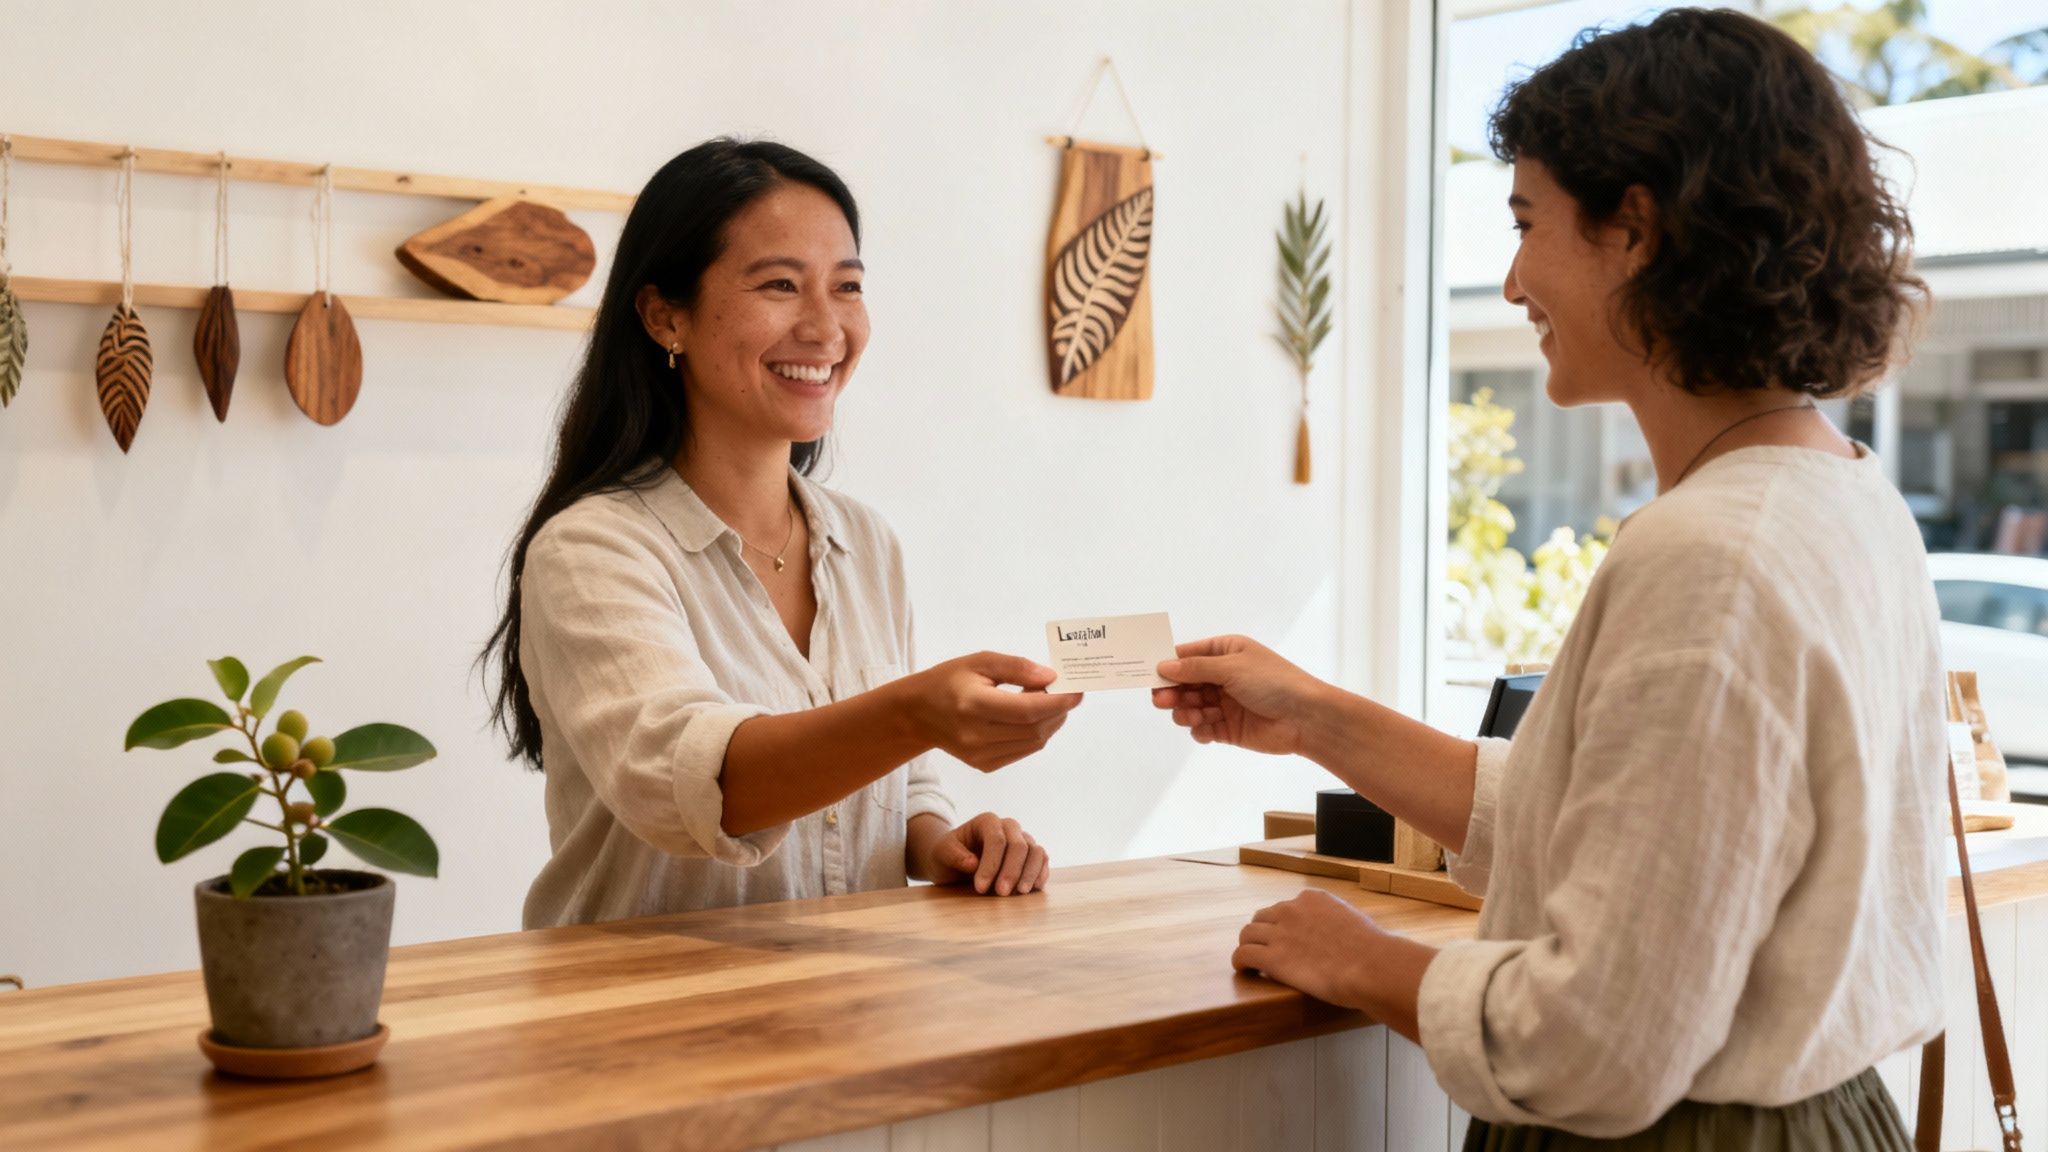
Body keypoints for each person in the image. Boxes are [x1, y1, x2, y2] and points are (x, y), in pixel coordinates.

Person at [1155, 11, 1942, 1148]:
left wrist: (1368, 963)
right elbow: (1604, 825)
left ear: (1636, 229)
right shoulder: (1841, 494)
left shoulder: (1707, 556)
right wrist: (1316, 717)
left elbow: (1598, 1043)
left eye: (1527, 223)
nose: (1514, 278)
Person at [485, 139, 1079, 929]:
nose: (827, 327)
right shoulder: (591, 551)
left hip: (847, 1014)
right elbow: (694, 786)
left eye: (848, 287)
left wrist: (941, 842)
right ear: (666, 316)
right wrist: (914, 713)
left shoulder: (867, 542)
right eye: (780, 285)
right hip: (637, 1025)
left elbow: (899, 789)